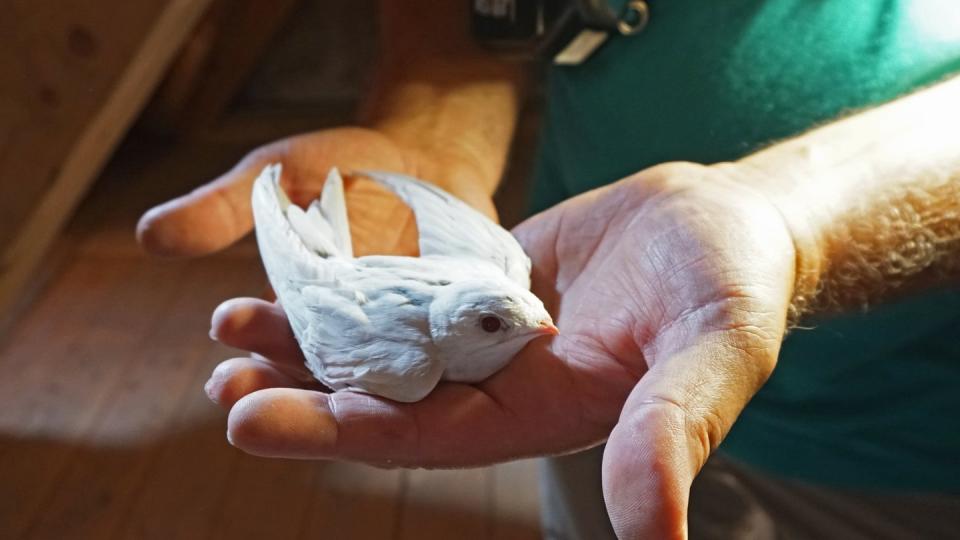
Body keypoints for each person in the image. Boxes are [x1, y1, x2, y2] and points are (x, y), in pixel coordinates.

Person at [137, 1, 960, 538]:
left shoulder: (514, 306)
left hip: (894, 441)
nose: (535, 324)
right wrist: (437, 135)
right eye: (503, 321)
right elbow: (463, 21)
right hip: (586, 385)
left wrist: (782, 215)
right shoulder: (491, 331)